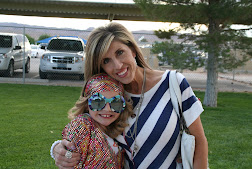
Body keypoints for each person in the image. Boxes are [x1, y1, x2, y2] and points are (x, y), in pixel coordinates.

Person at [51, 22, 208, 169]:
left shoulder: (173, 83)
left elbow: (199, 142)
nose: (118, 65)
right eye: (106, 60)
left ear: (133, 49)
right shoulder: (106, 97)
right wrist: (58, 148)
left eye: (120, 53)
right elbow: (84, 127)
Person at [52, 73, 133, 168]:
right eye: (98, 102)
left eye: (115, 102)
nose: (108, 109)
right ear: (86, 104)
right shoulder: (82, 125)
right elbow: (68, 160)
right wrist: (57, 149)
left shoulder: (114, 130)